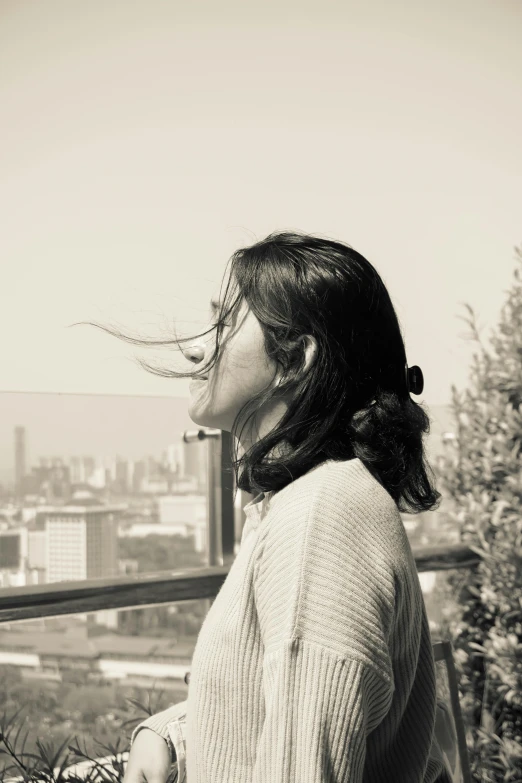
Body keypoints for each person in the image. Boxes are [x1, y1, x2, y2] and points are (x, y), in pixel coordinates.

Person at [116, 231, 452, 782]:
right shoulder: (313, 501)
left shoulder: (321, 521)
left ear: (296, 359)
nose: (196, 348)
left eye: (223, 325)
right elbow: (287, 699)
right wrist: (172, 735)